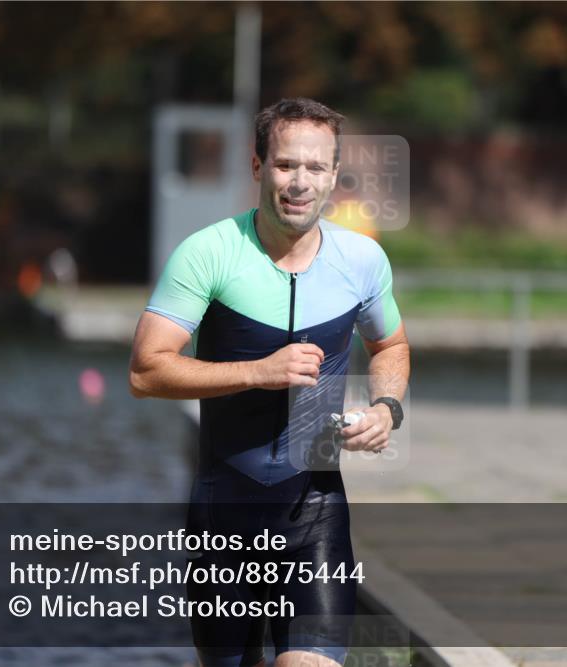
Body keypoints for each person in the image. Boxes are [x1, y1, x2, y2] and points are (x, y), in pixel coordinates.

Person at [129, 98, 410, 667]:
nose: (300, 182)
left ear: (333, 174)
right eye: (285, 165)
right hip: (225, 520)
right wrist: (258, 372)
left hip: (316, 516)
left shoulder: (362, 260)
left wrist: (386, 408)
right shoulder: (208, 253)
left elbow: (391, 346)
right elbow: (146, 370)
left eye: (315, 167)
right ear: (258, 166)